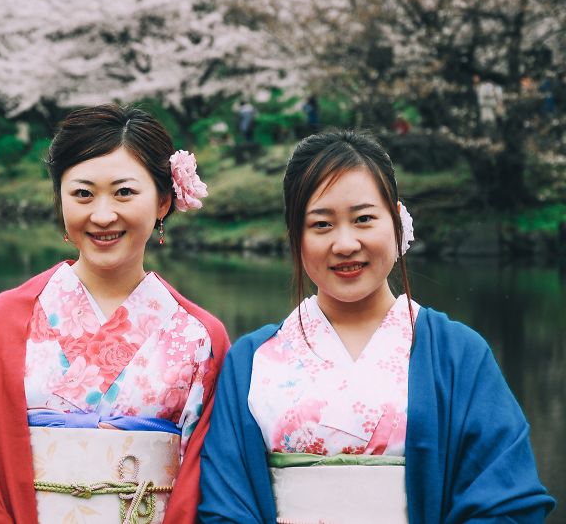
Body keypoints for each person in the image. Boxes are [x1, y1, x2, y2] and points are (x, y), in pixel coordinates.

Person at [199, 130, 554, 523]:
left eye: (364, 219)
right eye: (321, 224)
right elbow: (225, 506)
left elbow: (507, 502)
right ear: (295, 234)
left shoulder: (459, 354)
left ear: (398, 220)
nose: (345, 243)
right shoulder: (250, 361)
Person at [0, 104, 230, 524]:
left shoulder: (200, 338)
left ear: (163, 201)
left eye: (124, 193)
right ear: (60, 200)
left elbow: (208, 485)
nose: (102, 215)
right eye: (83, 194)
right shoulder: (2, 322)